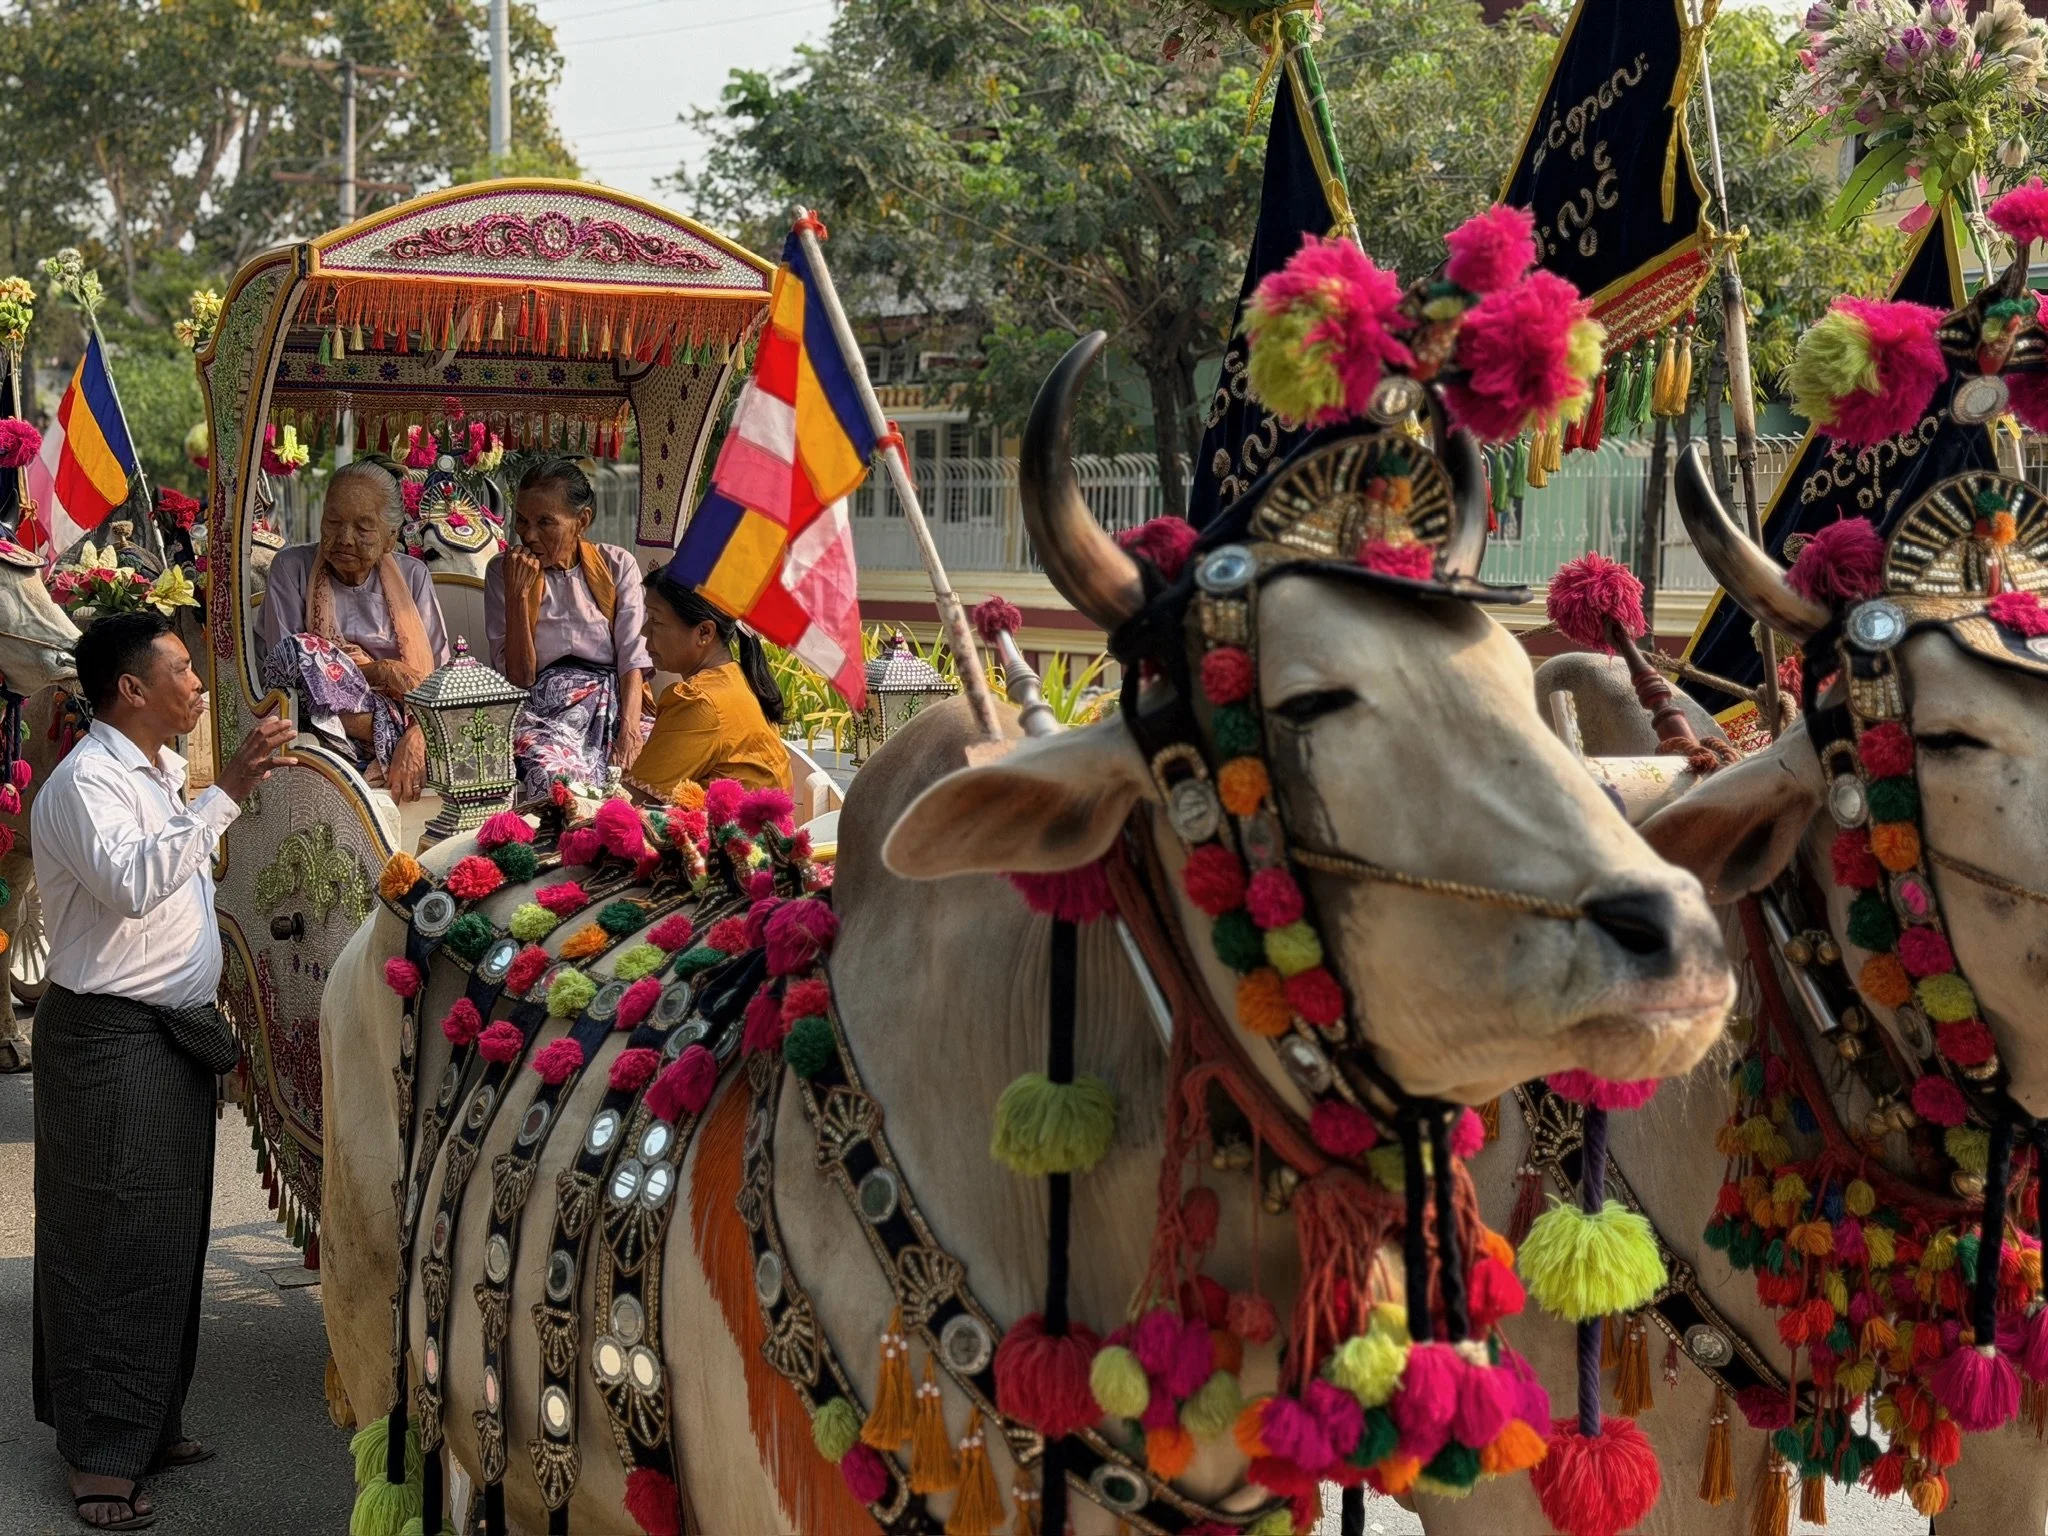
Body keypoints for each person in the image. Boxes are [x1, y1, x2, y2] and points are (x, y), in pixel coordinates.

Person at [29, 610, 296, 1531]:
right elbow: (135, 884)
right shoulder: (83, 783)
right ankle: (99, 1457)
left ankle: (144, 1422)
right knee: (109, 1239)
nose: (198, 685)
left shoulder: (152, 774)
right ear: (131, 690)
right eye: (181, 670)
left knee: (168, 1239)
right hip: (110, 1038)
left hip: (168, 1034)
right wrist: (223, 790)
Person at [258, 460, 449, 802]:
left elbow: (440, 677)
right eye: (333, 522)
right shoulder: (291, 568)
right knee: (301, 651)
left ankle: (388, 735)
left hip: (405, 711)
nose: (344, 539)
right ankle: (385, 734)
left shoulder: (414, 576)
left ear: (391, 537)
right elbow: (286, 665)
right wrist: (381, 670)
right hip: (323, 713)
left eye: (363, 528)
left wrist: (420, 733)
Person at [483, 459, 649, 798]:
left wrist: (628, 732)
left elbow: (632, 659)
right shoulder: (503, 570)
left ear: (582, 522)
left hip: (614, 703)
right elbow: (519, 677)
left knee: (663, 758)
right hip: (543, 711)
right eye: (522, 521)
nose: (528, 536)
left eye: (545, 522)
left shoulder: (617, 565)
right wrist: (518, 595)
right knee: (549, 771)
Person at [630, 573, 793, 801]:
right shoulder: (737, 679)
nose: (645, 631)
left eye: (656, 620)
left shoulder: (698, 701)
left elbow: (635, 799)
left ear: (704, 632)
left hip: (730, 835)